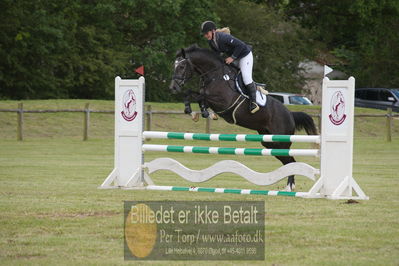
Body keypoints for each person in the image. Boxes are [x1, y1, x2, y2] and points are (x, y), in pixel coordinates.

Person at [201, 21, 259, 113]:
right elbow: (217, 56)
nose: (206, 36)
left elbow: (241, 45)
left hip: (245, 55)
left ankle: (254, 102)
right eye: (204, 34)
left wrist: (232, 57)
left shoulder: (223, 37)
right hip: (236, 58)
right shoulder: (211, 42)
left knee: (246, 78)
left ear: (213, 31)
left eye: (207, 33)